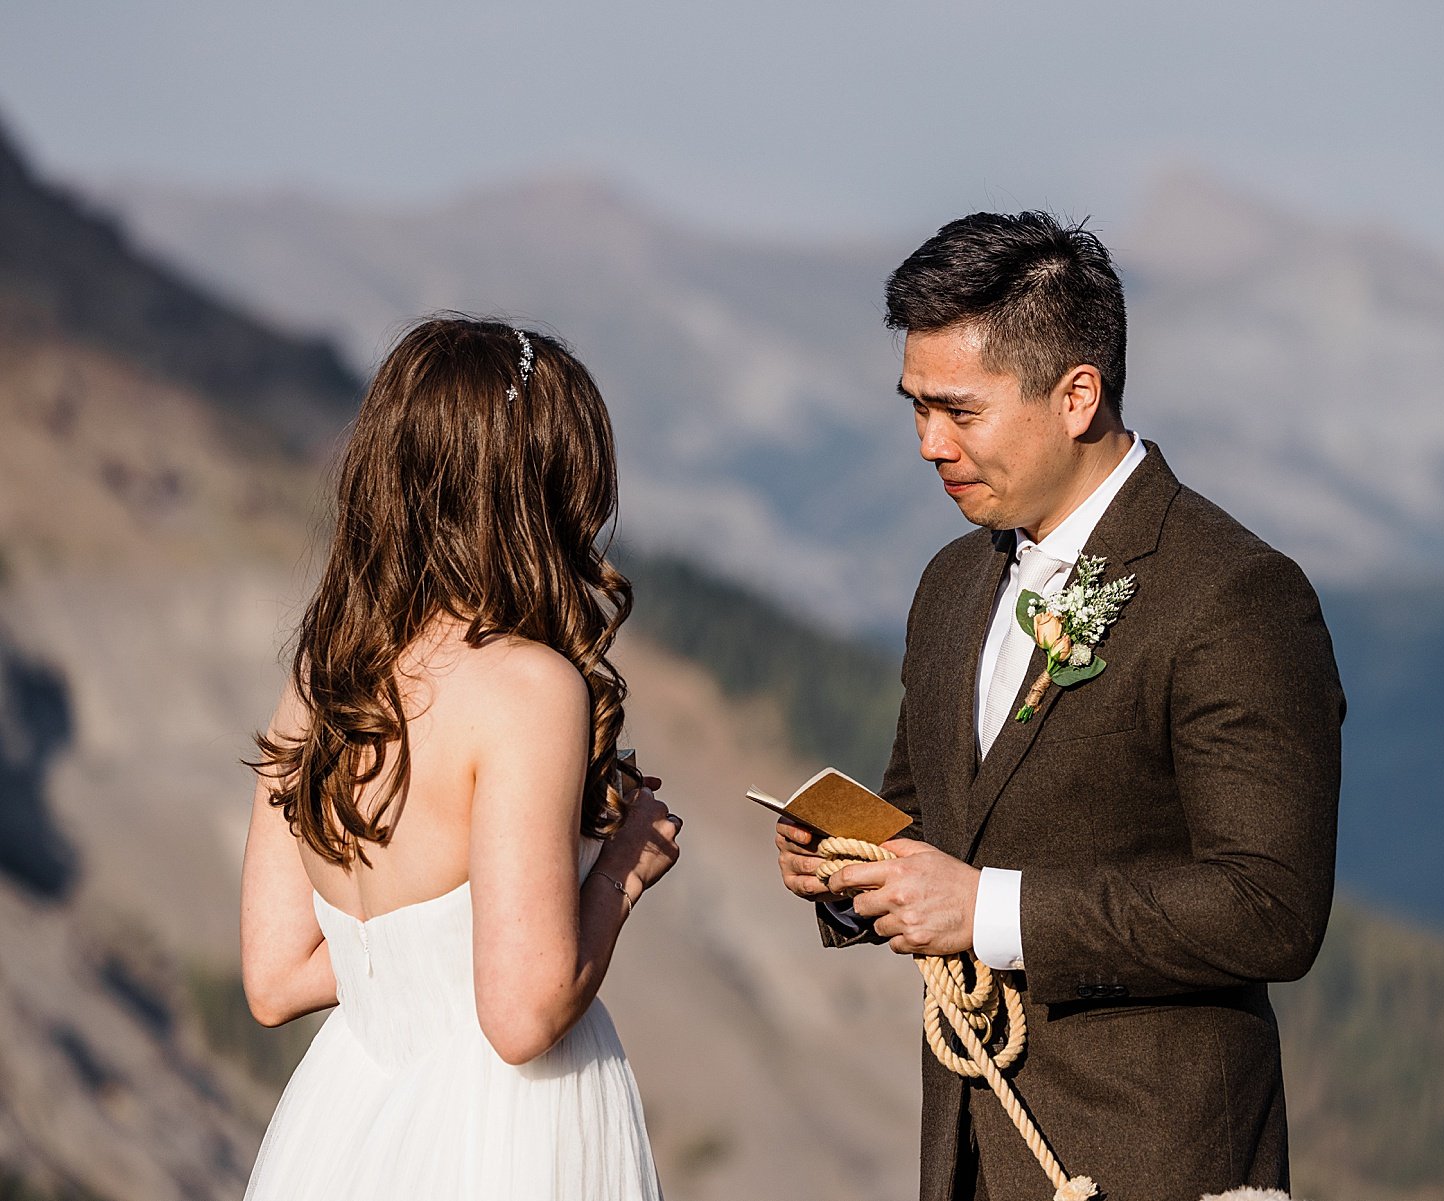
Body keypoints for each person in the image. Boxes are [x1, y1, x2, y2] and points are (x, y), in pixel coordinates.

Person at [776, 212, 1344, 1200]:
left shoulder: (1235, 592)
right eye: (913, 407)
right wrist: (848, 863)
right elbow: (936, 822)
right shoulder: (952, 582)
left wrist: (988, 909)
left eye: (959, 410)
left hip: (1152, 1163)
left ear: (1077, 395)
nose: (926, 444)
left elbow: (1271, 909)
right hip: (967, 1153)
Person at [238, 316, 679, 1201]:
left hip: (347, 1128)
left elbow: (276, 975)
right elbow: (520, 1016)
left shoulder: (321, 681)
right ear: (532, 493)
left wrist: (449, 949)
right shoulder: (529, 688)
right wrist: (625, 868)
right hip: (502, 1136)